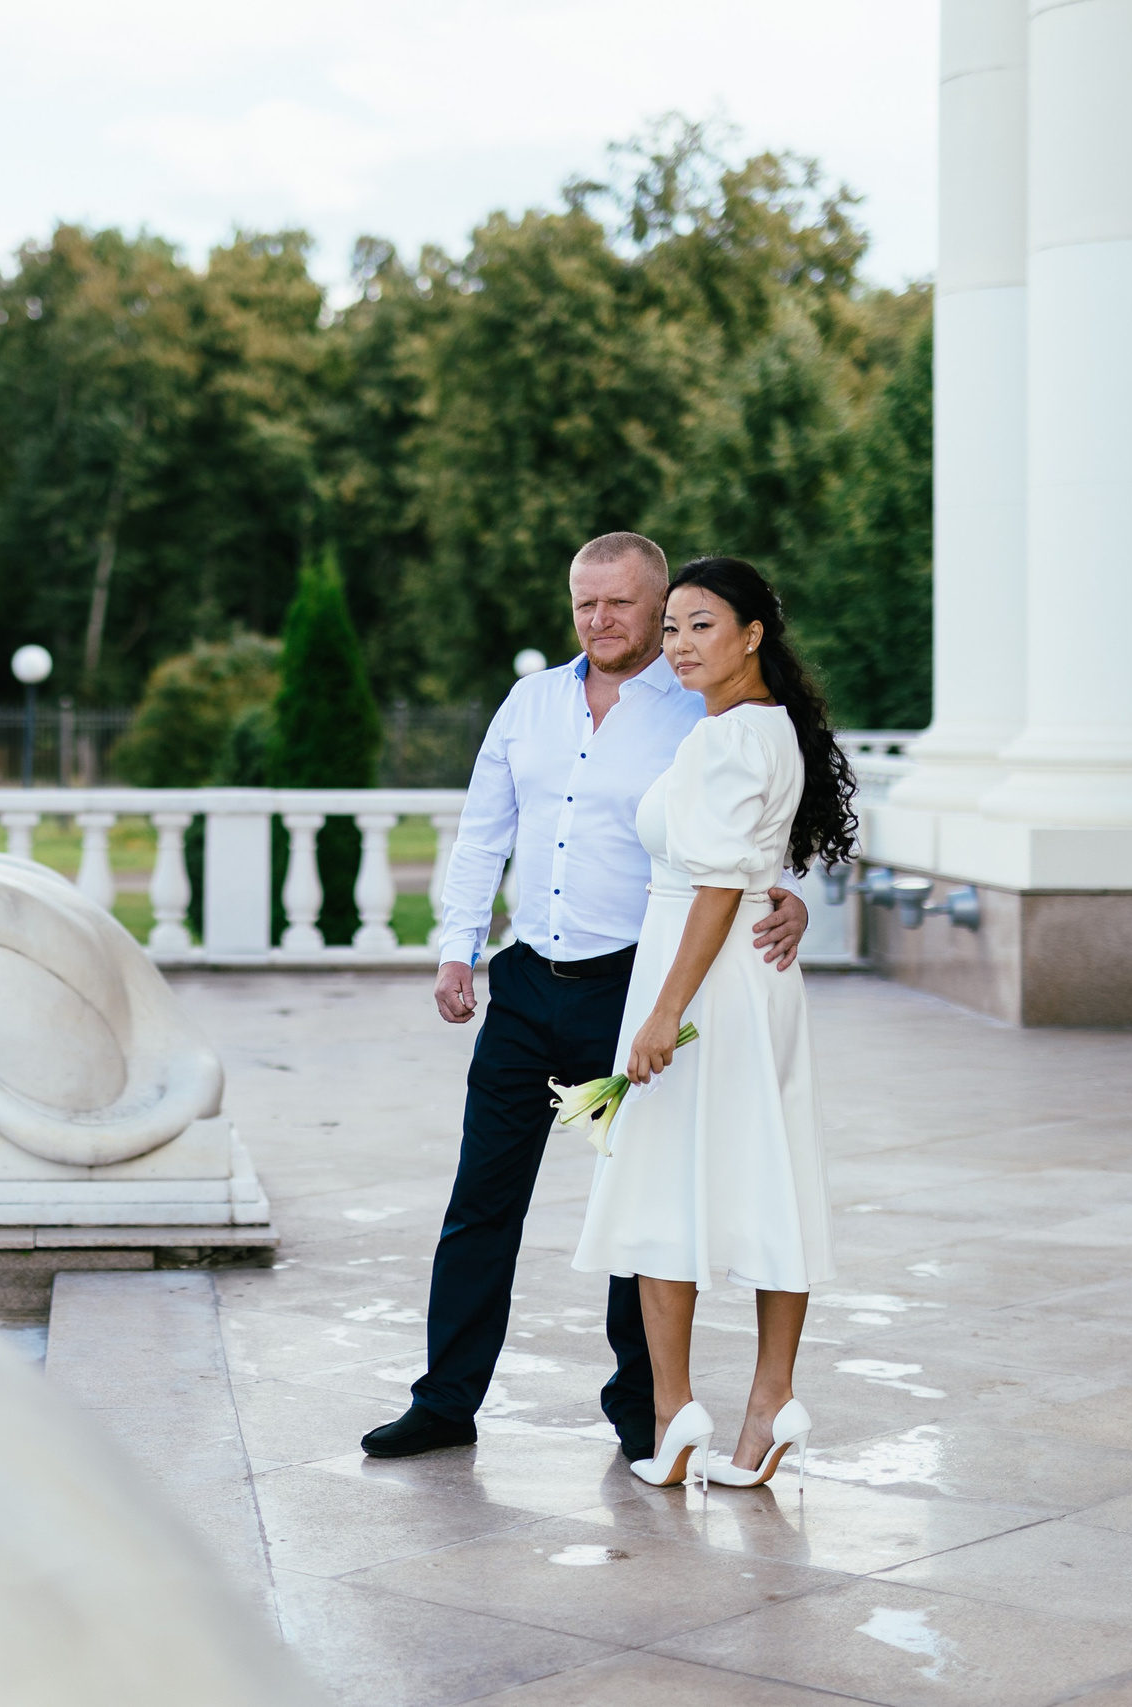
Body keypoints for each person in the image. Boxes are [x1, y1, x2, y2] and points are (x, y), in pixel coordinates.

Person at [361, 534, 808, 1463]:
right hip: (527, 982)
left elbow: (763, 818)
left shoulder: (699, 706)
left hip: (635, 984)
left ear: (660, 607)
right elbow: (484, 833)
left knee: (636, 1202)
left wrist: (790, 890)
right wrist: (458, 952)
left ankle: (642, 1407)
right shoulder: (530, 703)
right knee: (481, 1201)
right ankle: (445, 1400)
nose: (600, 621)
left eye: (621, 605)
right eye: (584, 604)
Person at [572, 556, 857, 1490]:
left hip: (705, 984)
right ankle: (743, 1403)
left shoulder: (735, 737)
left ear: (752, 635)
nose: (680, 644)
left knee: (667, 1186)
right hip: (726, 973)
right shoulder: (749, 730)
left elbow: (719, 882)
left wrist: (663, 1012)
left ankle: (686, 1406)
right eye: (673, 629)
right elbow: (752, 865)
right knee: (748, 1177)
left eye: (701, 624)